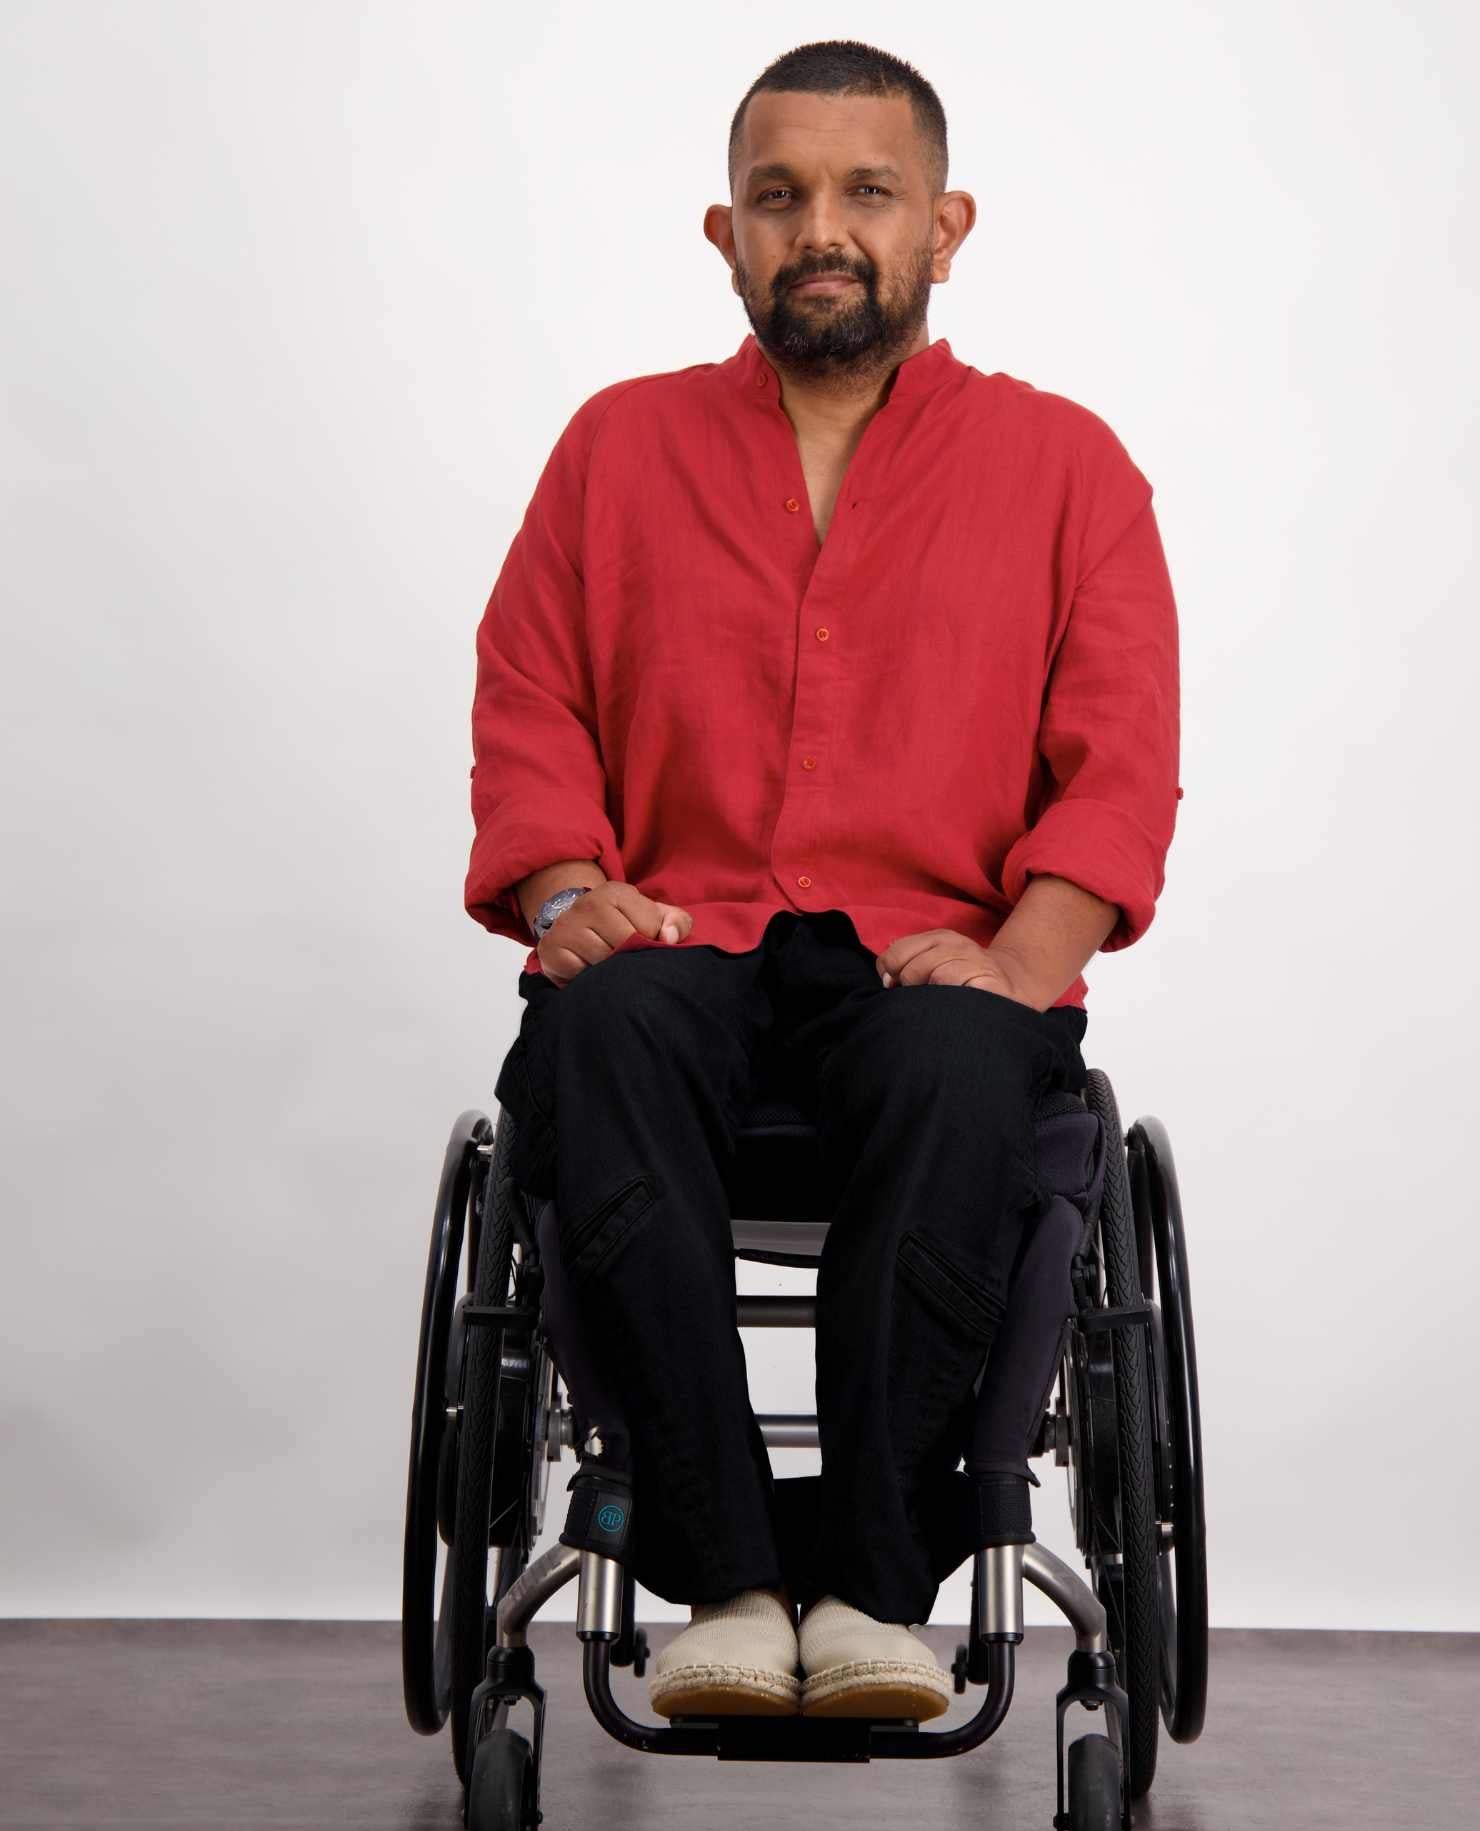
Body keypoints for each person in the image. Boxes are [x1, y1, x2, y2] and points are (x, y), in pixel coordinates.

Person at [464, 39, 1181, 1722]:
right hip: (678, 947)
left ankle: (870, 1588)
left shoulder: (1066, 470)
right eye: (781, 197)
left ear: (948, 223)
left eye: (869, 192)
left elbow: (1123, 757)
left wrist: (1027, 956)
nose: (824, 229)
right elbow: (529, 697)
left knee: (958, 1058)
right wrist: (571, 891)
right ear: (726, 232)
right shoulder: (616, 451)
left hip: (931, 970)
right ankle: (719, 1580)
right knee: (607, 1022)